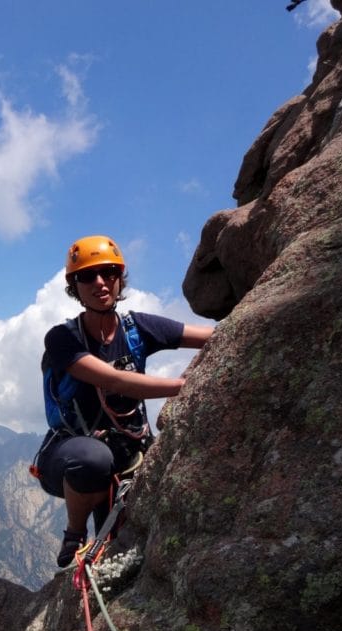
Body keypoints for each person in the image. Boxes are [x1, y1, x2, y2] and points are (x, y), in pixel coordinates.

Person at [33, 235, 213, 567]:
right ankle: (74, 532)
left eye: (108, 272)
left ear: (119, 278)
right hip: (73, 456)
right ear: (75, 285)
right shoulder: (62, 339)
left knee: (116, 546)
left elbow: (210, 337)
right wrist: (182, 386)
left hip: (127, 455)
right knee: (93, 460)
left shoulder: (137, 328)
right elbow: (113, 379)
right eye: (87, 276)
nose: (100, 282)